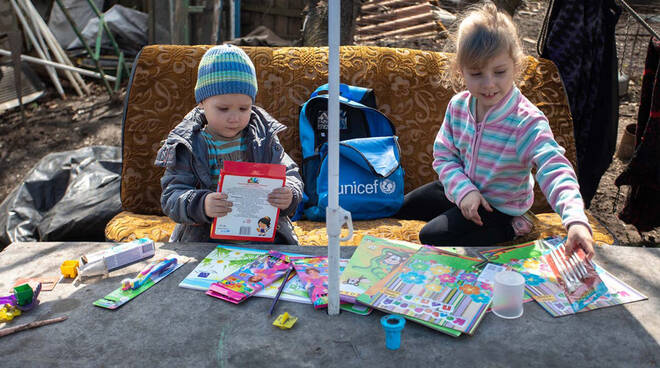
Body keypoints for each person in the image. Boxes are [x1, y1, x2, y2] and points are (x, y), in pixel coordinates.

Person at [396, 1, 595, 258]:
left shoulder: (527, 121)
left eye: (499, 72)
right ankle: (462, 207)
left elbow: (554, 167)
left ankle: (512, 228)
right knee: (404, 206)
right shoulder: (458, 106)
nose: (489, 84)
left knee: (431, 236)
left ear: (515, 65)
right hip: (465, 189)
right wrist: (464, 191)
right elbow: (444, 156)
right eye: (477, 74)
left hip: (500, 207)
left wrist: (576, 220)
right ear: (461, 70)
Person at [155, 45, 303, 244]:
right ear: (201, 103)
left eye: (244, 108)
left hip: (264, 235)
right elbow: (171, 197)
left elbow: (290, 174)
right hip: (205, 240)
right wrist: (201, 204)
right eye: (223, 109)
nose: (234, 118)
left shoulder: (264, 137)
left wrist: (289, 194)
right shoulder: (189, 144)